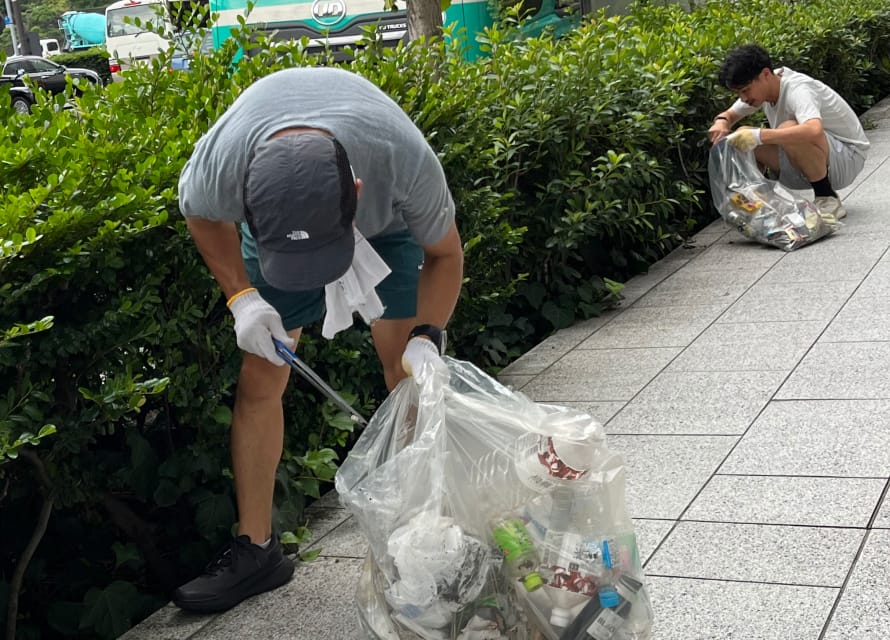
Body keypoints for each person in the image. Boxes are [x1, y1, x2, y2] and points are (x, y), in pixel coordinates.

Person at [173, 67, 464, 613]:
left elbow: (446, 255)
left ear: (357, 190)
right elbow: (199, 214)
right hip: (280, 231)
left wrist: (427, 336)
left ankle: (425, 532)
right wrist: (242, 298)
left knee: (406, 375)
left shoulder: (401, 159)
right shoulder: (223, 167)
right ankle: (257, 551)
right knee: (260, 378)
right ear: (247, 203)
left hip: (383, 229)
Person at [708, 44, 869, 220]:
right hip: (815, 161)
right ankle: (757, 204)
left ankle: (827, 198)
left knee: (786, 129)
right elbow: (730, 115)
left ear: (766, 75)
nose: (744, 98)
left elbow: (813, 130)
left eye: (745, 90)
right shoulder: (766, 85)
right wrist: (721, 122)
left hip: (847, 158)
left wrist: (758, 136)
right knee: (740, 136)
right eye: (739, 93)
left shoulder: (798, 88)